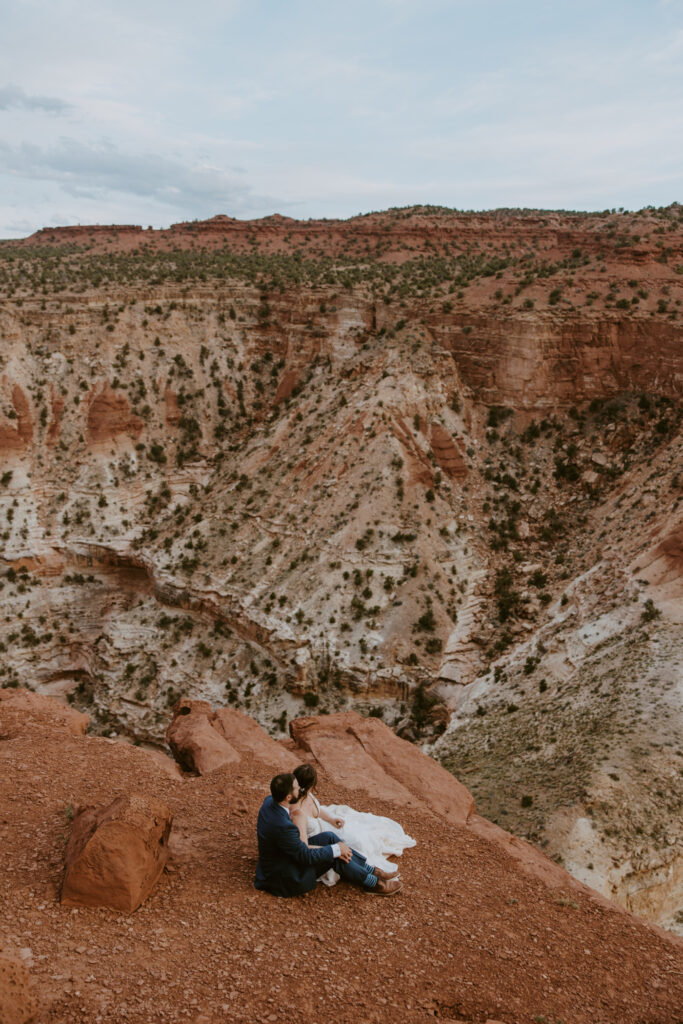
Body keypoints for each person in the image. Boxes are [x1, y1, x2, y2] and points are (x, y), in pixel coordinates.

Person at [254, 772, 402, 897]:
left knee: (329, 837)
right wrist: (336, 850)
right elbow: (305, 855)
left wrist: (336, 847)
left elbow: (294, 846)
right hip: (285, 877)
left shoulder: (270, 801)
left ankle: (370, 870)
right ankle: (373, 884)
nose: (300, 789)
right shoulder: (284, 827)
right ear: (288, 797)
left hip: (283, 856)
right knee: (335, 855)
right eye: (296, 788)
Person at [290, 763, 415, 887]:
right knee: (339, 854)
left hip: (320, 835)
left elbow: (316, 808)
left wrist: (331, 819)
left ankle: (371, 870)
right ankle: (373, 883)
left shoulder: (305, 795)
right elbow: (303, 848)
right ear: (311, 785)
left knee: (337, 839)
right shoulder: (297, 813)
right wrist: (332, 849)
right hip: (308, 849)